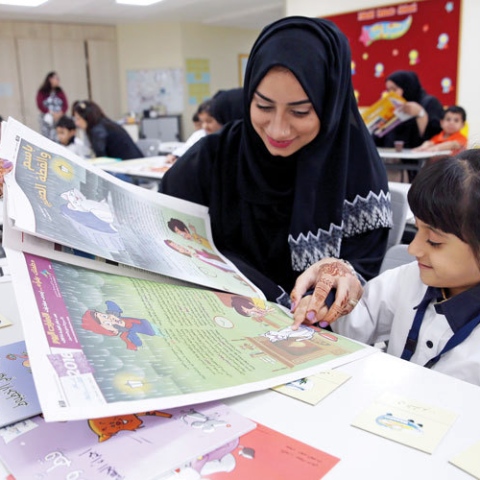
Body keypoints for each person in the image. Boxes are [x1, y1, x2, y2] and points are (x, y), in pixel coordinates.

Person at [161, 16, 391, 310]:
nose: (278, 130)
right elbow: (164, 232)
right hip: (209, 313)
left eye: (300, 112)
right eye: (264, 106)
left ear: (331, 105)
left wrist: (337, 283)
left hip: (307, 334)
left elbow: (360, 274)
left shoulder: (356, 174)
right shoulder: (212, 158)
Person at [292, 150, 480, 386]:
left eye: (434, 241)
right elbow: (357, 320)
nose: (413, 249)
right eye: (417, 229)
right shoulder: (411, 278)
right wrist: (329, 298)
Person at [373, 70, 444, 150]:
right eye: (388, 91)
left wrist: (420, 113)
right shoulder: (393, 105)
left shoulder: (429, 103)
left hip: (417, 158)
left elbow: (434, 134)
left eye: (394, 89)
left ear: (406, 87)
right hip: (390, 157)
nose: (391, 94)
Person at [72, 100, 143, 160]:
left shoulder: (97, 130)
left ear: (87, 118)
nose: (76, 123)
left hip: (129, 167)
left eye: (78, 119)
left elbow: (101, 159)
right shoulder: (104, 124)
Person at [36, 71, 69, 141]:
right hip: (47, 120)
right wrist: (51, 113)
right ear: (50, 79)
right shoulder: (42, 91)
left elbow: (65, 105)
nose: (58, 81)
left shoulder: (60, 91)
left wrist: (60, 113)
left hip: (59, 119)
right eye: (56, 79)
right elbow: (40, 105)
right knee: (47, 139)